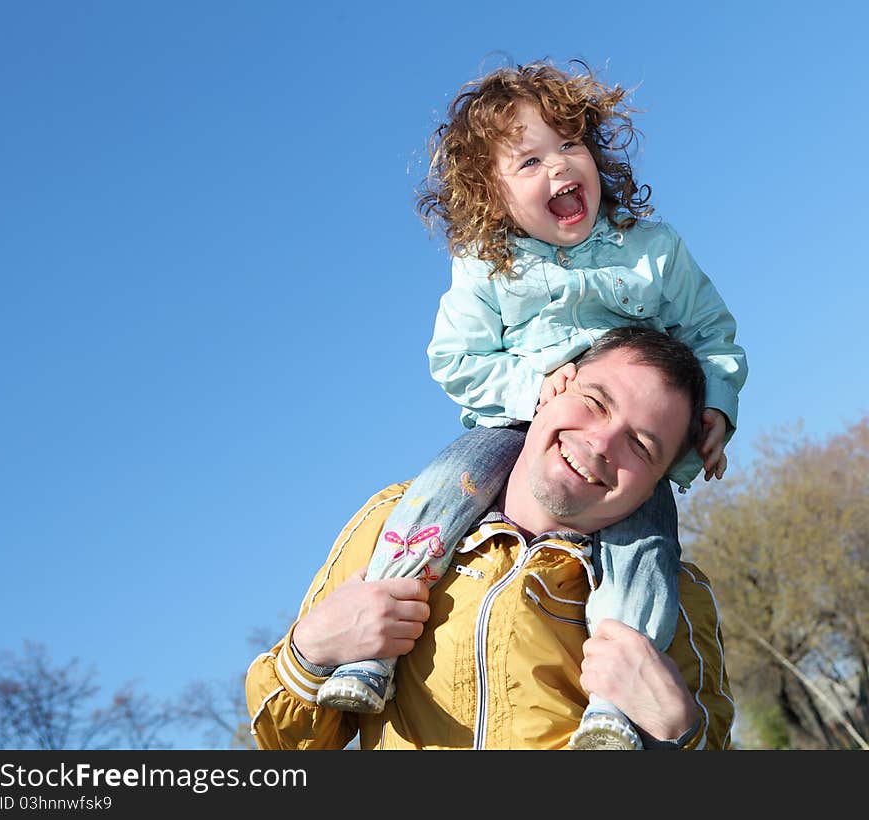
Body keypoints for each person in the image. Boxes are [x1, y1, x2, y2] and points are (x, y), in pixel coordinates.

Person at [313, 58, 747, 750]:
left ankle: (615, 705)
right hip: (513, 432)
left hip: (629, 452)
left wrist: (717, 406)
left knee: (647, 550)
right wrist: (532, 384)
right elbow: (454, 361)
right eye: (530, 161)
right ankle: (374, 646)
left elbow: (711, 334)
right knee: (439, 491)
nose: (558, 168)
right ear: (492, 197)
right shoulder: (487, 270)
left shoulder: (652, 252)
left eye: (570, 145)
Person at [245, 327, 736, 750]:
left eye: (641, 445)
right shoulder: (394, 525)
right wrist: (308, 654)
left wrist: (676, 731)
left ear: (656, 488)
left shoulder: (674, 599)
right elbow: (286, 743)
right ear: (552, 389)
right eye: (594, 402)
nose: (601, 443)